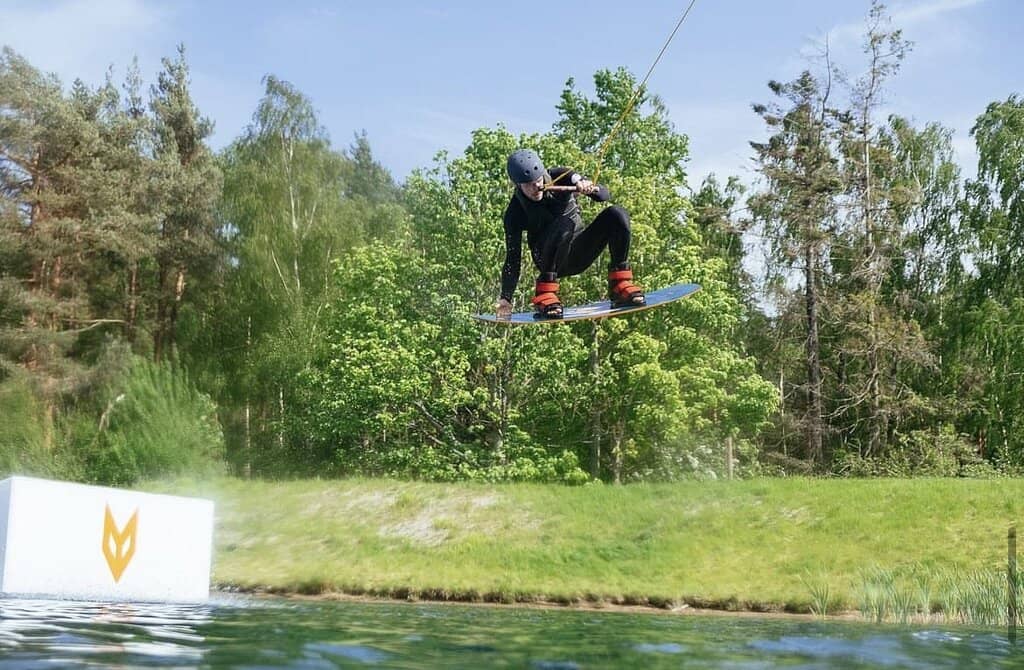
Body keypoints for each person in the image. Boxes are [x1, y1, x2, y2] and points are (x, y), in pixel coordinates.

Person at [496, 148, 645, 319]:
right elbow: (512, 259)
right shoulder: (515, 213)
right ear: (517, 185)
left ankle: (619, 284)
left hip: (578, 252)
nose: (536, 187)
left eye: (538, 181)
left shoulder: (561, 176)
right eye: (529, 185)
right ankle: (544, 293)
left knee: (617, 214)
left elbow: (604, 196)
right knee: (564, 224)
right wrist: (506, 298)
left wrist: (587, 186)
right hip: (547, 258)